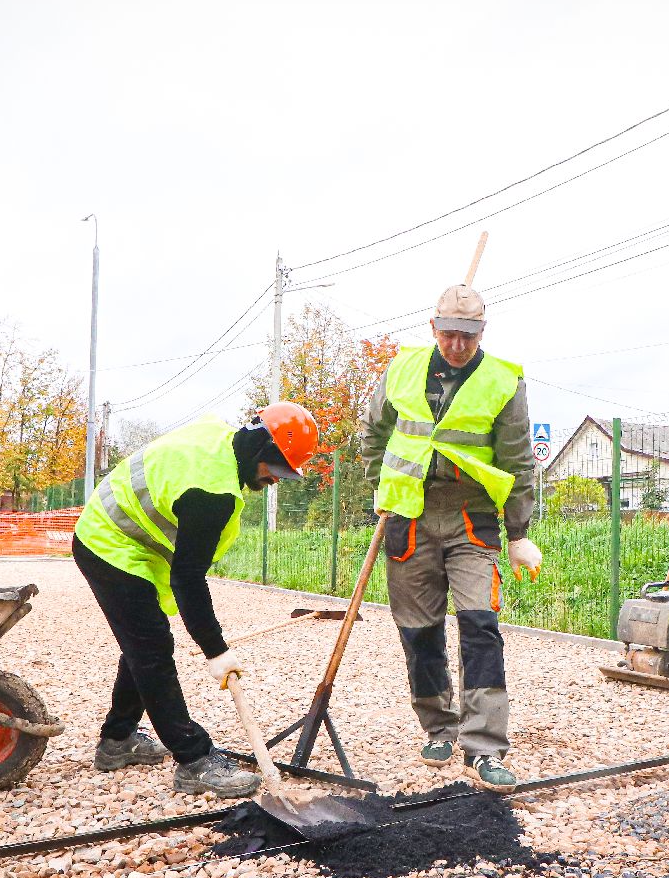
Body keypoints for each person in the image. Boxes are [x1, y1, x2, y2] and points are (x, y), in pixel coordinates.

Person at [71, 403, 319, 798]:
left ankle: (117, 740)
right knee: (151, 648)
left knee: (143, 643)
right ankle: (194, 761)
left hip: (130, 542)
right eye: (277, 469)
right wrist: (215, 650)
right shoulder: (211, 493)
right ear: (261, 450)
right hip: (108, 543)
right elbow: (187, 580)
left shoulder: (218, 440)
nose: (276, 480)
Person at [360, 281, 540, 792]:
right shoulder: (402, 369)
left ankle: (484, 745)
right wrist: (381, 484)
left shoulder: (504, 381)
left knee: (481, 626)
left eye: (469, 335)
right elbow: (374, 433)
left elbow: (517, 459)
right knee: (418, 629)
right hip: (409, 514)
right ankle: (438, 724)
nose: (458, 345)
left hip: (471, 516)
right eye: (450, 334)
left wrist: (519, 530)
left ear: (483, 331)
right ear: (433, 327)